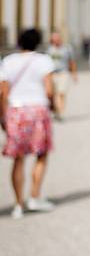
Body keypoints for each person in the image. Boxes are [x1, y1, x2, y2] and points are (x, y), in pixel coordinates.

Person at [0, 29, 57, 219]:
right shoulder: (44, 61)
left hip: (16, 110)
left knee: (18, 158)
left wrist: (3, 117)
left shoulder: (8, 61)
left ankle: (18, 204)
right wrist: (54, 105)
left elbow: (4, 92)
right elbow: (49, 90)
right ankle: (34, 196)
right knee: (41, 154)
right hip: (38, 109)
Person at [46, 32, 77, 119]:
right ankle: (56, 110)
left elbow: (72, 62)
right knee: (54, 94)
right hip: (52, 74)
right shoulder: (49, 50)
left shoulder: (67, 49)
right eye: (54, 38)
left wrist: (74, 74)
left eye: (57, 38)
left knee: (62, 92)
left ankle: (60, 111)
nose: (56, 40)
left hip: (63, 73)